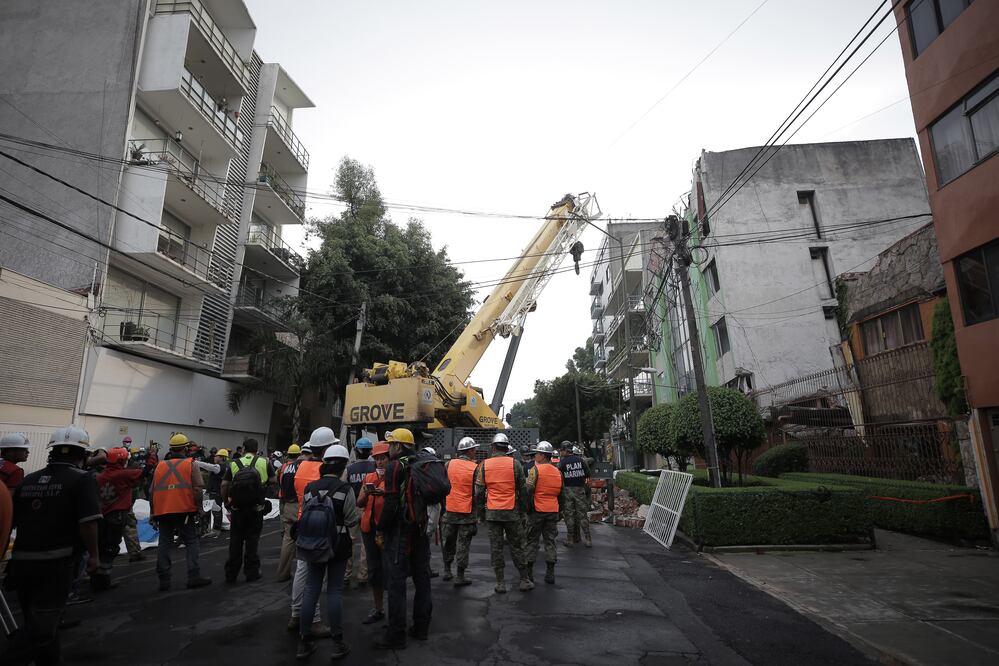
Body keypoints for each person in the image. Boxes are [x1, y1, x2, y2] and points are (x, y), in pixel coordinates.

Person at [6, 425, 101, 666]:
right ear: (82, 455)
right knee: (43, 626)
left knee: (36, 620)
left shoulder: (28, 480)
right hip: (57, 562)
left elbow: (9, 521)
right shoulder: (82, 480)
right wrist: (94, 556)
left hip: (21, 562)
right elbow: (88, 524)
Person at [295, 444, 356, 661]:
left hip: (313, 542)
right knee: (334, 591)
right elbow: (351, 519)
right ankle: (338, 642)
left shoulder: (310, 488)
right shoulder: (345, 489)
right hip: (338, 543)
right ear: (342, 466)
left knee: (311, 589)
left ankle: (304, 642)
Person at [373, 428, 432, 650]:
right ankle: (421, 628)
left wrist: (380, 530)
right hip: (420, 530)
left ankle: (396, 636)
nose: (388, 449)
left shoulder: (395, 466)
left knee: (396, 584)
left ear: (399, 446)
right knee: (422, 579)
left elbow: (390, 504)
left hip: (400, 533)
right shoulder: (423, 463)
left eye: (391, 445)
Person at [288, 427, 337, 636]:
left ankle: (296, 613)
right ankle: (313, 621)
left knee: (301, 571)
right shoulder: (323, 471)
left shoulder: (301, 467)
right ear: (327, 448)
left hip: (303, 522)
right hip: (320, 525)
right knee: (315, 578)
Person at [149, 433, 211, 592]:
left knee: (164, 543)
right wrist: (200, 508)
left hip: (163, 511)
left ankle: (164, 579)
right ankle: (193, 575)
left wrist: (152, 513)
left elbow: (152, 492)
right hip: (184, 510)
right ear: (185, 449)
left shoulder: (160, 466)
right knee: (191, 540)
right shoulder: (191, 464)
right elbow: (197, 489)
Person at [474, 432, 532, 594]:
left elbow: (478, 493)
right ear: (506, 448)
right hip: (512, 513)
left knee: (496, 547)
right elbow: (523, 491)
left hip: (493, 514)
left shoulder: (484, 465)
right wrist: (524, 511)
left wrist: (480, 513)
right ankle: (524, 579)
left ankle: (500, 583)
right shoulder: (516, 464)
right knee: (517, 546)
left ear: (493, 447)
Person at [220, 438, 272, 584]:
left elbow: (224, 485)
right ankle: (252, 572)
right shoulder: (265, 462)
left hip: (237, 509)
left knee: (235, 541)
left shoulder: (234, 463)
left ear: (243, 449)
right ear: (257, 449)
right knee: (252, 541)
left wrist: (226, 502)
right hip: (256, 509)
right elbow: (274, 480)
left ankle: (231, 573)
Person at [93, 447, 143, 591]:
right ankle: (103, 580)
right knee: (111, 547)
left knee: (100, 545)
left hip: (101, 515)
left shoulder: (98, 476)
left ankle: (95, 577)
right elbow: (143, 474)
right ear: (122, 460)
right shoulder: (124, 474)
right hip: (117, 516)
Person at [356, 441, 389, 624]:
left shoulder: (394, 477)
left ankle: (393, 608)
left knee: (390, 568)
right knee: (374, 569)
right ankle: (378, 608)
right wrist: (368, 493)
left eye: (382, 458)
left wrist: (384, 495)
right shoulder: (368, 477)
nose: (379, 462)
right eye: (377, 459)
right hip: (370, 528)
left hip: (387, 528)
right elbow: (359, 502)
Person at [525, 441, 564, 585]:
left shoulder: (535, 470)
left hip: (537, 512)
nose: (535, 456)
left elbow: (528, 491)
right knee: (550, 542)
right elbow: (562, 495)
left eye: (537, 453)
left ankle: (529, 574)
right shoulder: (558, 472)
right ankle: (550, 574)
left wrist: (528, 508)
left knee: (532, 542)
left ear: (542, 455)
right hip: (552, 511)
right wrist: (560, 511)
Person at [441, 436, 478, 586]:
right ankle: (460, 576)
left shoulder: (448, 464)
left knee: (448, 541)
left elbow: (443, 484)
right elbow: (477, 492)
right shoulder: (475, 468)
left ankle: (447, 570)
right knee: (463, 544)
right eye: (474, 449)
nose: (475, 451)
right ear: (469, 451)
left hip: (449, 511)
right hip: (466, 513)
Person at [343, 438, 374, 587]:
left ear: (356, 451)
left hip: (353, 508)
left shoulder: (349, 469)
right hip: (369, 508)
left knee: (349, 541)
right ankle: (364, 574)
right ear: (370, 452)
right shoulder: (375, 467)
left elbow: (344, 489)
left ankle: (346, 574)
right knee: (366, 543)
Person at [275, 443, 302, 581]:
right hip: (299, 504)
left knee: (288, 537)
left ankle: (282, 573)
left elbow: (278, 482)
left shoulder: (283, 467)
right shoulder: (301, 466)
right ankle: (303, 575)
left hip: (285, 502)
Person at [559, 444, 593, 548]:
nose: (561, 452)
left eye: (562, 450)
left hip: (568, 491)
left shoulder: (562, 462)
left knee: (569, 516)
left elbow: (559, 477)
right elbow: (588, 474)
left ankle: (570, 539)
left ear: (565, 450)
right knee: (582, 515)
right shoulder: (581, 460)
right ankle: (588, 539)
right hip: (580, 490)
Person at [204, 448, 229, 537]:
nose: (215, 457)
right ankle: (215, 528)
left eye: (217, 456)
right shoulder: (226, 467)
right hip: (219, 492)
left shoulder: (219, 467)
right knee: (217, 510)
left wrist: (195, 463)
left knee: (215, 511)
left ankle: (215, 529)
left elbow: (208, 466)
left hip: (215, 492)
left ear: (222, 458)